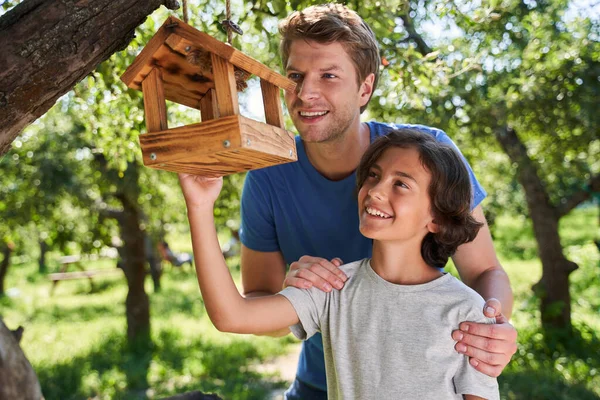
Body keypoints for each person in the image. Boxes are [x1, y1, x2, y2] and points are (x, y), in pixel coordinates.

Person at [238, 4, 517, 398]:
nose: (305, 93)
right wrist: (295, 294)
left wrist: (493, 325)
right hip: (323, 387)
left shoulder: (429, 154)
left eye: (329, 76)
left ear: (365, 88)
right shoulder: (267, 176)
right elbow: (256, 306)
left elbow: (485, 269)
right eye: (295, 76)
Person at [179, 129, 500, 399]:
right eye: (373, 176)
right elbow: (231, 316)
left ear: (437, 218)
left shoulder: (466, 310)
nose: (374, 190)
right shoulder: (332, 288)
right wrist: (199, 205)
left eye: (400, 184)